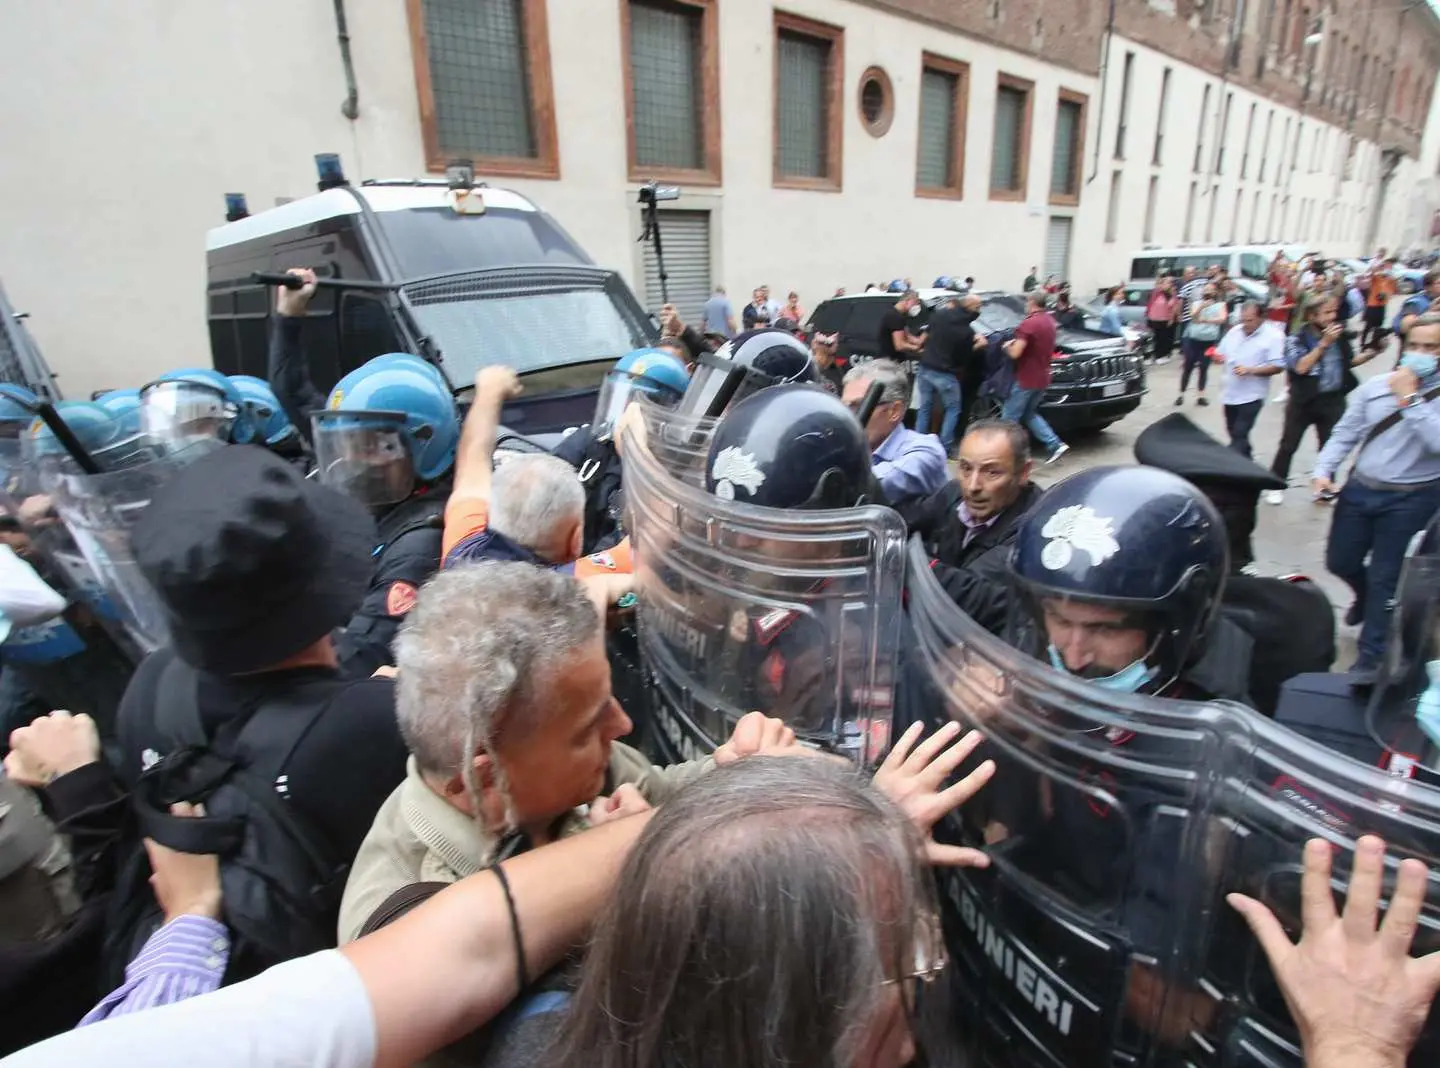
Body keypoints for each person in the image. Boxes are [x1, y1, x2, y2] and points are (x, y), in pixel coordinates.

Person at [54, 445, 409, 991]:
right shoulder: (371, 720)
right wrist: (387, 704)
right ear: (319, 579)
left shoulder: (149, 686)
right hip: (324, 1001)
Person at [337, 563, 803, 944]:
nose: (621, 726)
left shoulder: (567, 766)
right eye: (586, 729)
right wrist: (635, 876)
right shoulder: (406, 941)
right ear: (485, 777)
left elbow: (660, 789)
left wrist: (736, 767)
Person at [266, 269, 461, 676]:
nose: (350, 458)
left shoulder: (419, 544)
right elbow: (294, 393)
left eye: (368, 447)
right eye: (348, 443)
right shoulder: (383, 492)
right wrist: (289, 314)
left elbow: (356, 659)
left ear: (421, 444)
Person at [1010, 464, 1250, 701]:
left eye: (1106, 629)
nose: (1074, 658)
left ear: (1173, 627)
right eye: (1060, 619)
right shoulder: (1029, 645)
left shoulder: (1222, 719)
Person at [1313, 311, 1440, 676]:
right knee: (1341, 561)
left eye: (1430, 347)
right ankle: (1364, 595)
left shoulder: (1420, 396)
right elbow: (1345, 432)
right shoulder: (1376, 387)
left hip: (1411, 499)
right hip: (1360, 490)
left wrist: (1411, 400)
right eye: (1414, 345)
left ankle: (1369, 660)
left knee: (1387, 577)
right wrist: (1323, 470)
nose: (1420, 353)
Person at [904, 419, 1041, 632]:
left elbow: (969, 594)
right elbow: (907, 521)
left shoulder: (1034, 530)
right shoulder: (953, 493)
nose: (972, 486)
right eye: (966, 468)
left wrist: (898, 559)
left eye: (992, 472)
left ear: (1023, 472)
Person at [550, 347, 690, 553]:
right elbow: (543, 494)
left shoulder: (677, 469)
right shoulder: (594, 443)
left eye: (634, 402)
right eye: (620, 397)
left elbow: (643, 544)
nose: (623, 412)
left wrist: (635, 456)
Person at [1265, 295, 1366, 504]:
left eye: (1334, 312)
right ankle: (1276, 485)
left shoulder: (1340, 335)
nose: (1332, 317)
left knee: (1330, 446)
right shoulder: (1297, 338)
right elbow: (1301, 366)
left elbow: (1350, 361)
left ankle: (1325, 487)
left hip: (1333, 400)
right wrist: (1323, 345)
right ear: (1312, 316)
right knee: (1288, 445)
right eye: (1327, 312)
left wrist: (1373, 351)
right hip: (1304, 401)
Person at [841, 359, 948, 505]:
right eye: (843, 406)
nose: (847, 415)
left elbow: (866, 486)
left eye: (857, 406)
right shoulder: (847, 448)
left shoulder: (926, 452)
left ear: (894, 411)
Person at [1001, 289, 1068, 464]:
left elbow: (1016, 353)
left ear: (1031, 302)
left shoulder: (1028, 324)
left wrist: (1006, 346)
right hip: (1043, 376)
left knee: (1009, 418)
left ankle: (1011, 455)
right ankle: (1054, 443)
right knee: (1030, 414)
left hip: (1026, 378)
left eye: (1027, 302)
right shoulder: (1049, 321)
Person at [915, 292, 986, 454]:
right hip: (944, 373)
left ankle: (918, 444)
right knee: (953, 409)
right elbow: (964, 357)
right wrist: (979, 345)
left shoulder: (941, 315)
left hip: (925, 367)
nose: (979, 310)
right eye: (977, 307)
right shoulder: (966, 332)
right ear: (968, 308)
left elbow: (927, 333)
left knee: (924, 407)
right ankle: (945, 446)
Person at [1217, 301, 1286, 459]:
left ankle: (1231, 467)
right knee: (1234, 432)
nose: (1245, 324)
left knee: (1240, 433)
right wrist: (1218, 357)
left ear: (1262, 317)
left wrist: (1250, 370)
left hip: (1252, 395)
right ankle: (1248, 462)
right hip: (1230, 392)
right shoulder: (1235, 331)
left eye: (1250, 320)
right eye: (1243, 320)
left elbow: (1277, 366)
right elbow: (1222, 352)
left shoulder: (1274, 336)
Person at [1177, 281, 1227, 407]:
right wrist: (1202, 307)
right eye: (1206, 289)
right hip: (1193, 340)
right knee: (1188, 367)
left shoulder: (1220, 305)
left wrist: (1206, 320)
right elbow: (1193, 317)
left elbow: (1222, 319)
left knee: (1203, 368)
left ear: (1215, 292)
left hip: (1208, 341)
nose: (1207, 291)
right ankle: (1181, 394)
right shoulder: (1196, 304)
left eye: (1210, 289)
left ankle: (1201, 396)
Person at [1361, 257, 1398, 352]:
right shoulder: (1377, 278)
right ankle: (1362, 344)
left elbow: (1393, 290)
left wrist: (1387, 295)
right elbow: (1371, 272)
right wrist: (1380, 266)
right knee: (1368, 326)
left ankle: (1374, 344)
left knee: (1378, 326)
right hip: (1372, 305)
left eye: (1390, 266)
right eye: (1386, 265)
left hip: (1382, 306)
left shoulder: (1391, 280)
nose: (1388, 268)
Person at [878, 289, 924, 362]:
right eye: (916, 303)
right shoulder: (895, 317)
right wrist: (916, 348)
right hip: (890, 362)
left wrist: (921, 341)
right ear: (909, 300)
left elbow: (907, 336)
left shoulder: (898, 314)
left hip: (893, 361)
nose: (917, 306)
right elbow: (899, 345)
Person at [1144, 276, 1180, 364]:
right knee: (1152, 339)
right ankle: (1149, 357)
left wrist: (1172, 319)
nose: (1169, 285)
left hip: (1164, 320)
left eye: (1170, 283)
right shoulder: (1156, 293)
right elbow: (1150, 304)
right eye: (1167, 283)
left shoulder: (1172, 294)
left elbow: (1173, 307)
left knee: (1162, 339)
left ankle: (1159, 356)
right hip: (1153, 319)